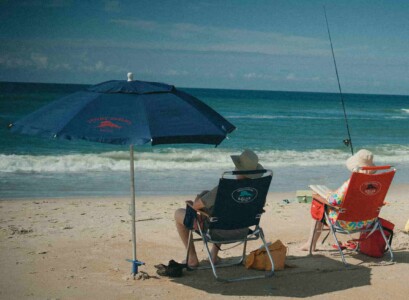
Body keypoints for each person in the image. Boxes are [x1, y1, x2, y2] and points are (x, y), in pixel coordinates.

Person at [174, 149, 264, 268]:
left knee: (178, 213)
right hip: (242, 231)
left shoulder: (225, 189)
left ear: (237, 168)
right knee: (226, 212)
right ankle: (213, 256)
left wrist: (194, 204)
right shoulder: (258, 191)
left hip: (217, 232)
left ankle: (192, 259)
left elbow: (196, 206)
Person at [301, 149, 377, 251]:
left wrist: (319, 196)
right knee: (323, 201)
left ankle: (311, 244)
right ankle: (311, 243)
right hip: (368, 222)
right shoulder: (377, 184)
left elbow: (334, 201)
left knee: (318, 202)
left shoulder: (352, 183)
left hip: (345, 222)